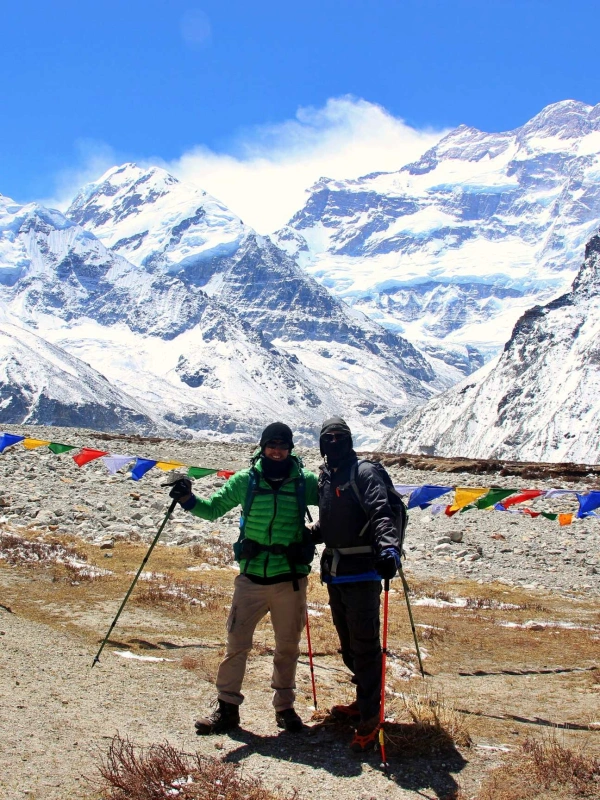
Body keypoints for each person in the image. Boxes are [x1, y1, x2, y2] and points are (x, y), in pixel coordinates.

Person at [167, 422, 318, 735]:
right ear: (262, 447)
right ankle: (227, 708)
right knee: (236, 643)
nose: (277, 450)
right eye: (272, 444)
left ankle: (285, 708)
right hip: (251, 578)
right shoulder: (244, 481)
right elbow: (213, 510)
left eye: (283, 445)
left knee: (288, 646)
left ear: (291, 449)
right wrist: (187, 500)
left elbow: (335, 501)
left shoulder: (305, 482)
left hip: (289, 578)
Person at [313, 416, 402, 753]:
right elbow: (335, 520)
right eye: (328, 438)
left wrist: (389, 548)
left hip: (363, 572)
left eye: (339, 437)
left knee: (364, 646)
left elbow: (380, 512)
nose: (333, 443)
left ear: (349, 441)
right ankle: (364, 699)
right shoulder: (328, 477)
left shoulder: (364, 473)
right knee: (349, 646)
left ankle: (370, 715)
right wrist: (311, 536)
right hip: (336, 572)